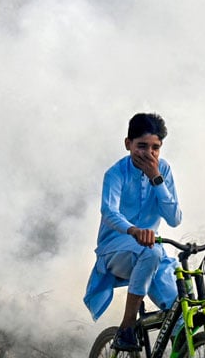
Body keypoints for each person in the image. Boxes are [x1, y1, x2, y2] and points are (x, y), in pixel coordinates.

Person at [84, 112, 182, 351]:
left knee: (179, 310)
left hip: (152, 253)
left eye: (155, 148)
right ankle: (127, 326)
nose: (149, 154)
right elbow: (109, 211)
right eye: (142, 146)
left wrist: (155, 178)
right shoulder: (116, 173)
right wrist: (134, 230)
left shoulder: (163, 171)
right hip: (115, 250)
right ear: (128, 143)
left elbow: (174, 219)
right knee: (150, 252)